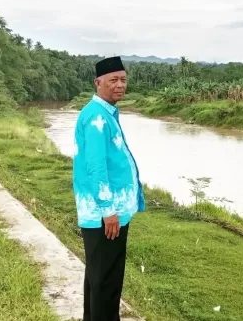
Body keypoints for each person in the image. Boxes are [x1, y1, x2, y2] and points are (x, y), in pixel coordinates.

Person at [72, 56, 145, 321]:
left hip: (107, 213)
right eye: (113, 80)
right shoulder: (96, 118)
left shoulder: (106, 113)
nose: (120, 85)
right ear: (98, 82)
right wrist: (108, 210)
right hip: (105, 215)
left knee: (98, 276)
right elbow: (96, 167)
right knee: (106, 281)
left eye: (123, 80)